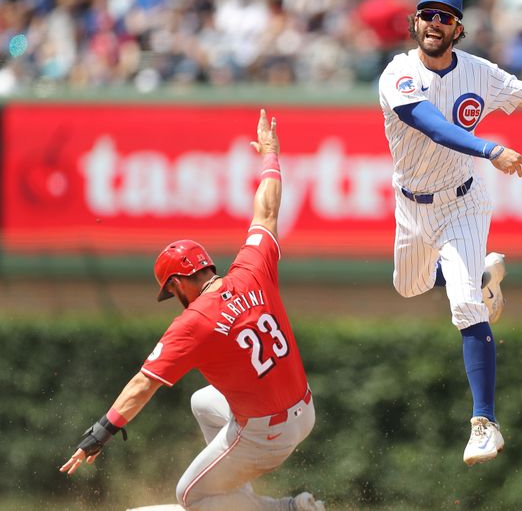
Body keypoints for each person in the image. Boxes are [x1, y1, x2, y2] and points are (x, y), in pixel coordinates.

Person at [378, 0, 522, 466]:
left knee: (463, 306)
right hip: (411, 206)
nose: (435, 23)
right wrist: (490, 148)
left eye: (446, 17)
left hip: (463, 201)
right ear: (415, 24)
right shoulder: (398, 73)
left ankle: (484, 423)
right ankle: (480, 279)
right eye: (427, 15)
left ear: (458, 29)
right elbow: (429, 122)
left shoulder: (479, 72)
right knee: (408, 286)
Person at [60, 110, 325, 511]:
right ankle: (242, 500)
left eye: (171, 291)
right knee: (203, 401)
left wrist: (102, 432)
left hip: (267, 434)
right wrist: (270, 155)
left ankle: (290, 509)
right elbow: (267, 211)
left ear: (179, 283)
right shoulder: (251, 269)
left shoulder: (194, 322)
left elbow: (142, 384)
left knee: (191, 495)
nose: (174, 299)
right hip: (303, 410)